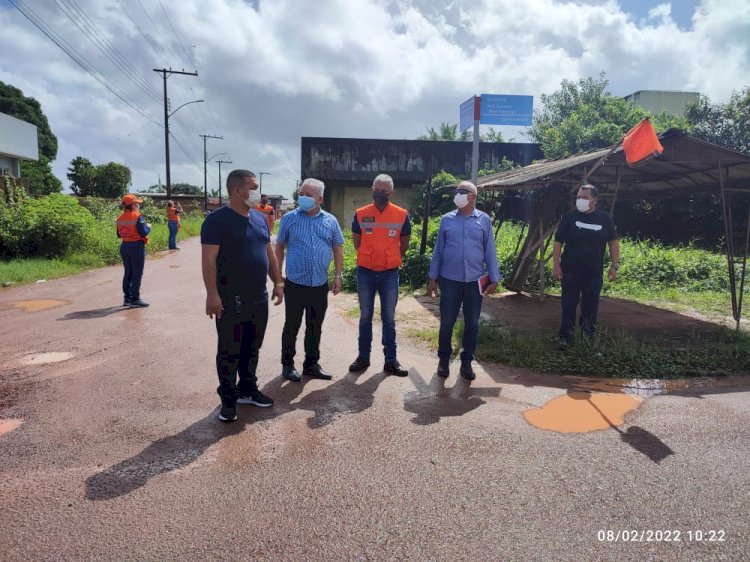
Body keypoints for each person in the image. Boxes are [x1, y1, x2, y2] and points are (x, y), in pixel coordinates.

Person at [201, 169, 284, 422]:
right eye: (253, 186)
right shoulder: (217, 221)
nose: (257, 191)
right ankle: (228, 399)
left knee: (252, 346)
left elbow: (269, 254)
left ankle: (248, 389)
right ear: (237, 190)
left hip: (258, 297)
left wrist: (278, 282)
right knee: (229, 349)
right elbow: (209, 259)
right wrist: (212, 294)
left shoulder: (259, 218)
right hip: (230, 299)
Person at [428, 181, 500, 380]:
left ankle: (467, 361)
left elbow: (489, 251)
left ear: (473, 197)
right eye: (457, 191)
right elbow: (438, 251)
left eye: (463, 192)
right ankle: (443, 359)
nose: (458, 194)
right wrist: (432, 277)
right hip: (449, 280)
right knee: (447, 321)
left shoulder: (483, 220)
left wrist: (494, 278)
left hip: (474, 282)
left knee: (472, 323)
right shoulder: (447, 220)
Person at [275, 178, 344, 382]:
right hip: (295, 283)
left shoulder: (330, 221)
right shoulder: (289, 219)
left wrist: (338, 276)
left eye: (309, 195)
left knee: (315, 326)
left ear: (320, 199)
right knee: (292, 325)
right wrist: (278, 279)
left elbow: (338, 247)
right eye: (301, 193)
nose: (303, 198)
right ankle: (287, 364)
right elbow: (279, 247)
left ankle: (311, 364)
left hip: (319, 284)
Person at [348, 174, 411, 377]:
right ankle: (363, 357)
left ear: (391, 192)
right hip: (365, 272)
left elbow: (405, 243)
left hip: (390, 274)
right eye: (377, 190)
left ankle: (390, 361)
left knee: (389, 318)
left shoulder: (401, 215)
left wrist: (391, 257)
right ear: (372, 189)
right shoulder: (360, 213)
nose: (380, 194)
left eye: (384, 191)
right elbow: (357, 241)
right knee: (365, 317)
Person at [552, 183, 619, 350]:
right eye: (578, 197)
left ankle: (586, 340)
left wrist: (614, 265)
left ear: (594, 201)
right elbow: (558, 241)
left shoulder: (605, 219)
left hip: (593, 273)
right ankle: (564, 338)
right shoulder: (569, 217)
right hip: (570, 271)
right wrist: (556, 265)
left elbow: (613, 242)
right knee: (568, 306)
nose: (580, 200)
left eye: (584, 197)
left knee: (590, 308)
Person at [116, 193, 151, 308]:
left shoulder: (120, 218)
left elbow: (118, 235)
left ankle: (127, 298)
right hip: (136, 247)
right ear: (132, 205)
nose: (138, 205)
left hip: (125, 246)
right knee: (137, 273)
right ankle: (135, 299)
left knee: (128, 273)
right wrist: (148, 227)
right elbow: (143, 232)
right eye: (136, 203)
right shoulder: (137, 216)